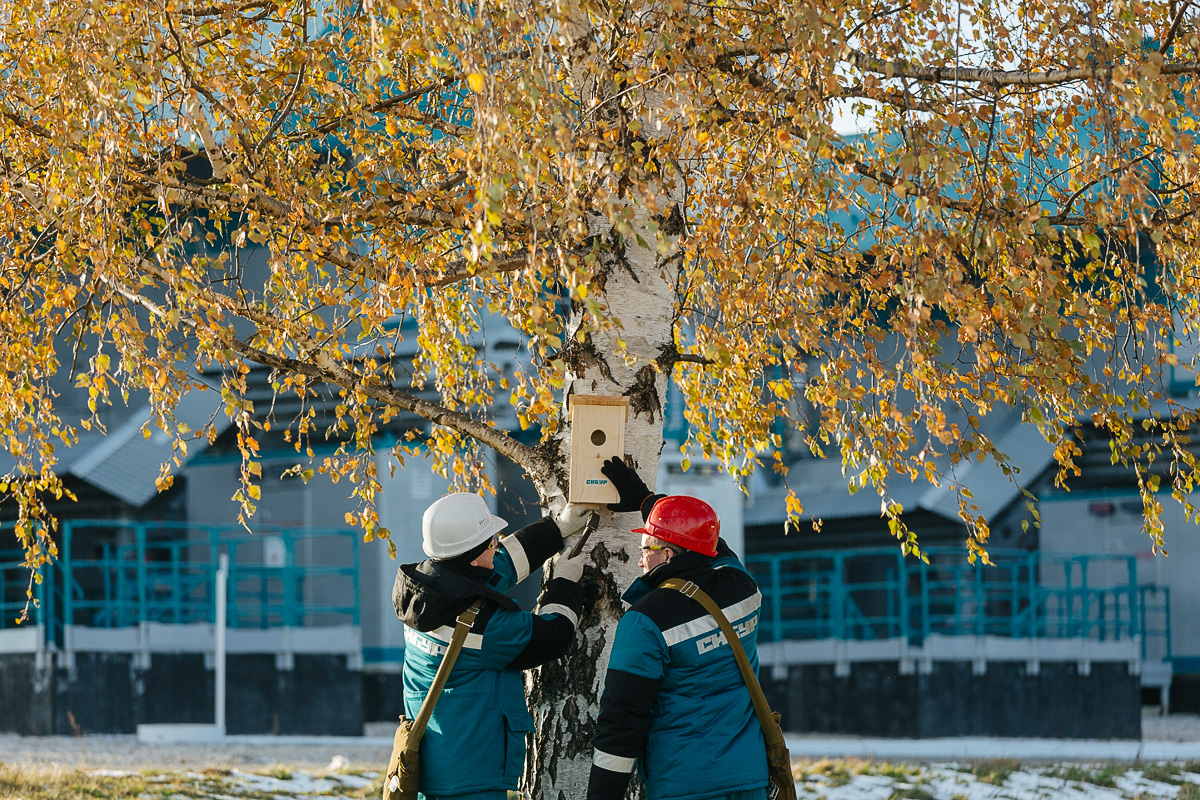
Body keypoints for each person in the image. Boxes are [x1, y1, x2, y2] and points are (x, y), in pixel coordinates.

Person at [587, 458, 767, 800]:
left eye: (645, 549)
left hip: (685, 786)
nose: (640, 561)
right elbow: (713, 546)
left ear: (667, 555)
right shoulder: (744, 588)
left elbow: (622, 722)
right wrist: (646, 502)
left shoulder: (646, 620)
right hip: (749, 778)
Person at [393, 492, 592, 800]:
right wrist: (565, 584)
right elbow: (552, 637)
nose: (497, 544)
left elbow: (500, 564)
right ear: (472, 557)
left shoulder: (426, 593)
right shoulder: (483, 626)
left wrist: (556, 528)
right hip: (470, 780)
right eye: (491, 540)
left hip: (433, 766)